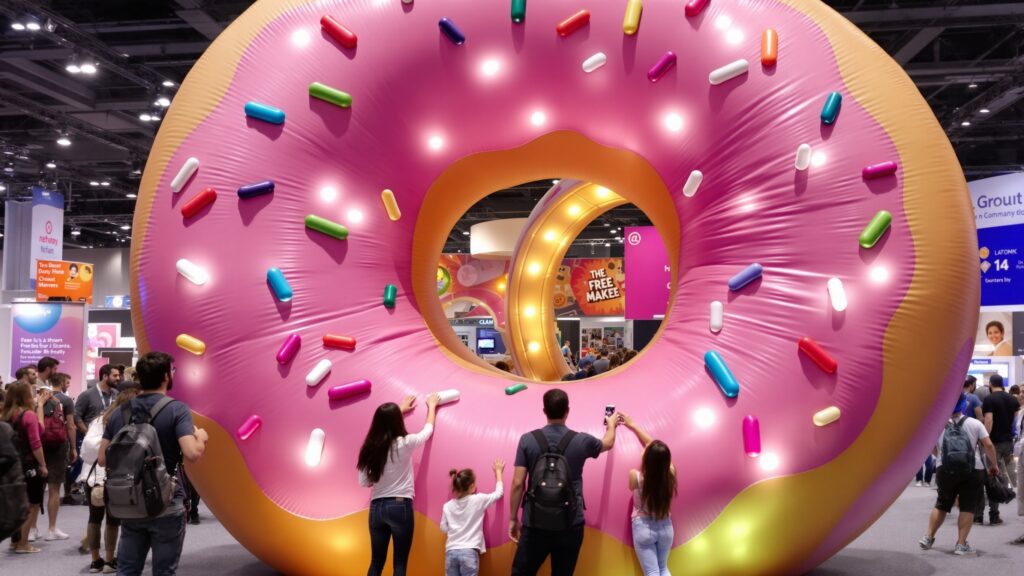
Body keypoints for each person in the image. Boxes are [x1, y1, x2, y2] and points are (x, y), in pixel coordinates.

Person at [98, 352, 209, 576]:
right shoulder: (177, 409)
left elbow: (102, 458)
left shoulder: (121, 411)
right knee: (163, 571)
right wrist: (202, 438)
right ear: (166, 376)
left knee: (128, 569)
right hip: (165, 500)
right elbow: (192, 453)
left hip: (130, 500)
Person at [509, 389, 619, 576]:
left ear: (544, 411)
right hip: (570, 524)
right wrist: (611, 425)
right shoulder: (582, 441)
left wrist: (513, 518)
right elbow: (607, 443)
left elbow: (518, 483)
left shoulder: (527, 440)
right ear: (567, 411)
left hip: (535, 523)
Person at [357, 393, 441, 576]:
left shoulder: (369, 447)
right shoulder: (405, 443)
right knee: (400, 564)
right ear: (397, 422)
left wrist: (399, 410)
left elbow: (363, 482)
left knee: (376, 562)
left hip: (377, 508)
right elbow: (427, 431)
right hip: (399, 506)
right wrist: (432, 405)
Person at [920, 393, 1000, 555]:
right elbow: (988, 445)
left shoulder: (938, 423)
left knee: (941, 504)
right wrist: (994, 465)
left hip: (945, 468)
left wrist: (940, 456)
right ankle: (961, 544)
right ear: (964, 405)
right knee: (968, 506)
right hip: (972, 469)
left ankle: (928, 537)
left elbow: (931, 447)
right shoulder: (975, 423)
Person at [80, 388, 138, 573]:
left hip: (92, 475)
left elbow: (87, 450)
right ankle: (109, 560)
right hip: (116, 476)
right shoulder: (128, 423)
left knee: (94, 518)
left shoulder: (99, 420)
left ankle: (96, 560)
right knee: (113, 520)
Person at [621, 414, 676, 576]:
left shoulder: (635, 476)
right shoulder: (671, 473)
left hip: (643, 527)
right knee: (663, 568)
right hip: (666, 526)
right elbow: (656, 450)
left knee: (652, 571)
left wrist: (632, 425)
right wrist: (635, 426)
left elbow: (652, 447)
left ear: (647, 458)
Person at [3, 382, 48, 553]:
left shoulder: (5, 415)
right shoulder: (28, 415)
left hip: (10, 465)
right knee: (32, 503)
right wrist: (43, 465)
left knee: (15, 503)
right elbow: (36, 443)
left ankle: (14, 541)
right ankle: (23, 543)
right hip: (28, 464)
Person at [440, 459, 505, 576]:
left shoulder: (447, 506)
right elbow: (498, 493)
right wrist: (499, 472)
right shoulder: (478, 500)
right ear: (472, 486)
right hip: (469, 551)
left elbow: (443, 529)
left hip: (451, 551)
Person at [980, 374, 1020, 525]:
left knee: (991, 476)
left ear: (990, 384)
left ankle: (992, 514)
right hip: (1008, 441)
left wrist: (985, 438)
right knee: (1004, 473)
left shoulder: (989, 399)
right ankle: (1008, 495)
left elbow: (989, 420)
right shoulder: (1012, 399)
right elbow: (1016, 421)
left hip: (994, 442)